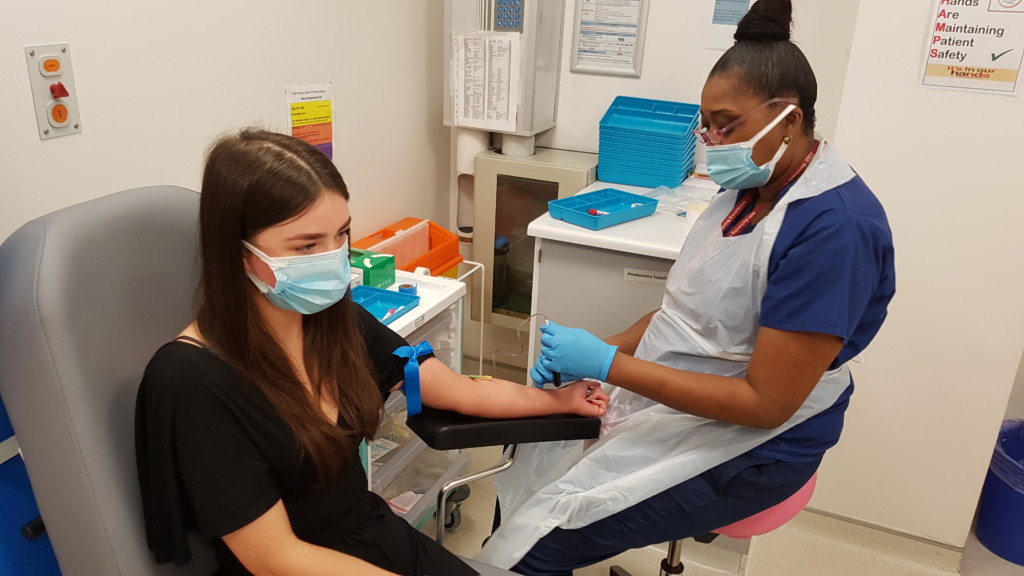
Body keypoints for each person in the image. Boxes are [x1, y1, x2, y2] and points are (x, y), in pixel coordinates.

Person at [475, 1, 896, 574]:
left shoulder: (834, 230)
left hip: (754, 445)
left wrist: (610, 365)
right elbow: (690, 313)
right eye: (708, 125)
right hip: (684, 393)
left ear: (789, 119)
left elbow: (766, 404)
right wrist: (604, 350)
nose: (713, 139)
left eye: (727, 124)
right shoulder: (745, 191)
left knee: (544, 532)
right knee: (531, 450)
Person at [134, 127, 609, 576]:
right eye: (306, 246)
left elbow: (456, 390)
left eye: (341, 234)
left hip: (371, 534)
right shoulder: (191, 380)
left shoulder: (331, 321)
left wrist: (559, 400)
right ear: (237, 253)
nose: (332, 257)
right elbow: (273, 557)